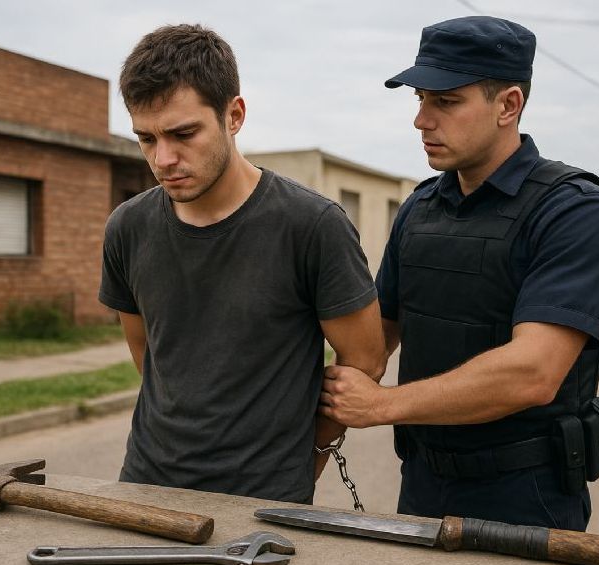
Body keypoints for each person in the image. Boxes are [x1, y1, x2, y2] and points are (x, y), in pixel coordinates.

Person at [320, 16, 599, 531]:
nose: (422, 119)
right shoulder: (420, 207)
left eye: (446, 101)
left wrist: (382, 405)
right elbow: (373, 344)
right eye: (420, 99)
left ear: (508, 104)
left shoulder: (576, 212)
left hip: (524, 497)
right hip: (422, 484)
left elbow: (533, 373)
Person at [100, 24, 386, 503]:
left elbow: (366, 361)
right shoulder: (127, 228)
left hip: (264, 500)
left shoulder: (312, 225)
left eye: (183, 133)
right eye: (146, 139)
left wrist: (309, 456)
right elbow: (149, 357)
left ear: (234, 115)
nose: (163, 158)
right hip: (145, 485)